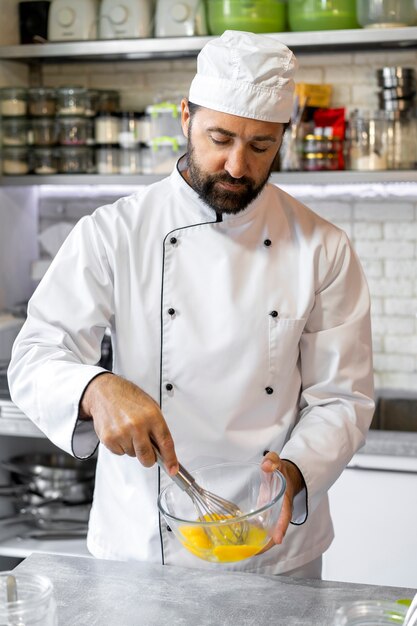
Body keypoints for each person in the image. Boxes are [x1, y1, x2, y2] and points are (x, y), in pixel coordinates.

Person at [7, 30, 374, 578]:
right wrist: (93, 388)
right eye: (219, 137)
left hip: (274, 553)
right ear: (185, 116)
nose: (234, 166)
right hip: (142, 549)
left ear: (283, 138)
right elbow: (34, 356)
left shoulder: (323, 247)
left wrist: (295, 472)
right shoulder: (115, 231)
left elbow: (343, 399)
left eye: (260, 146)